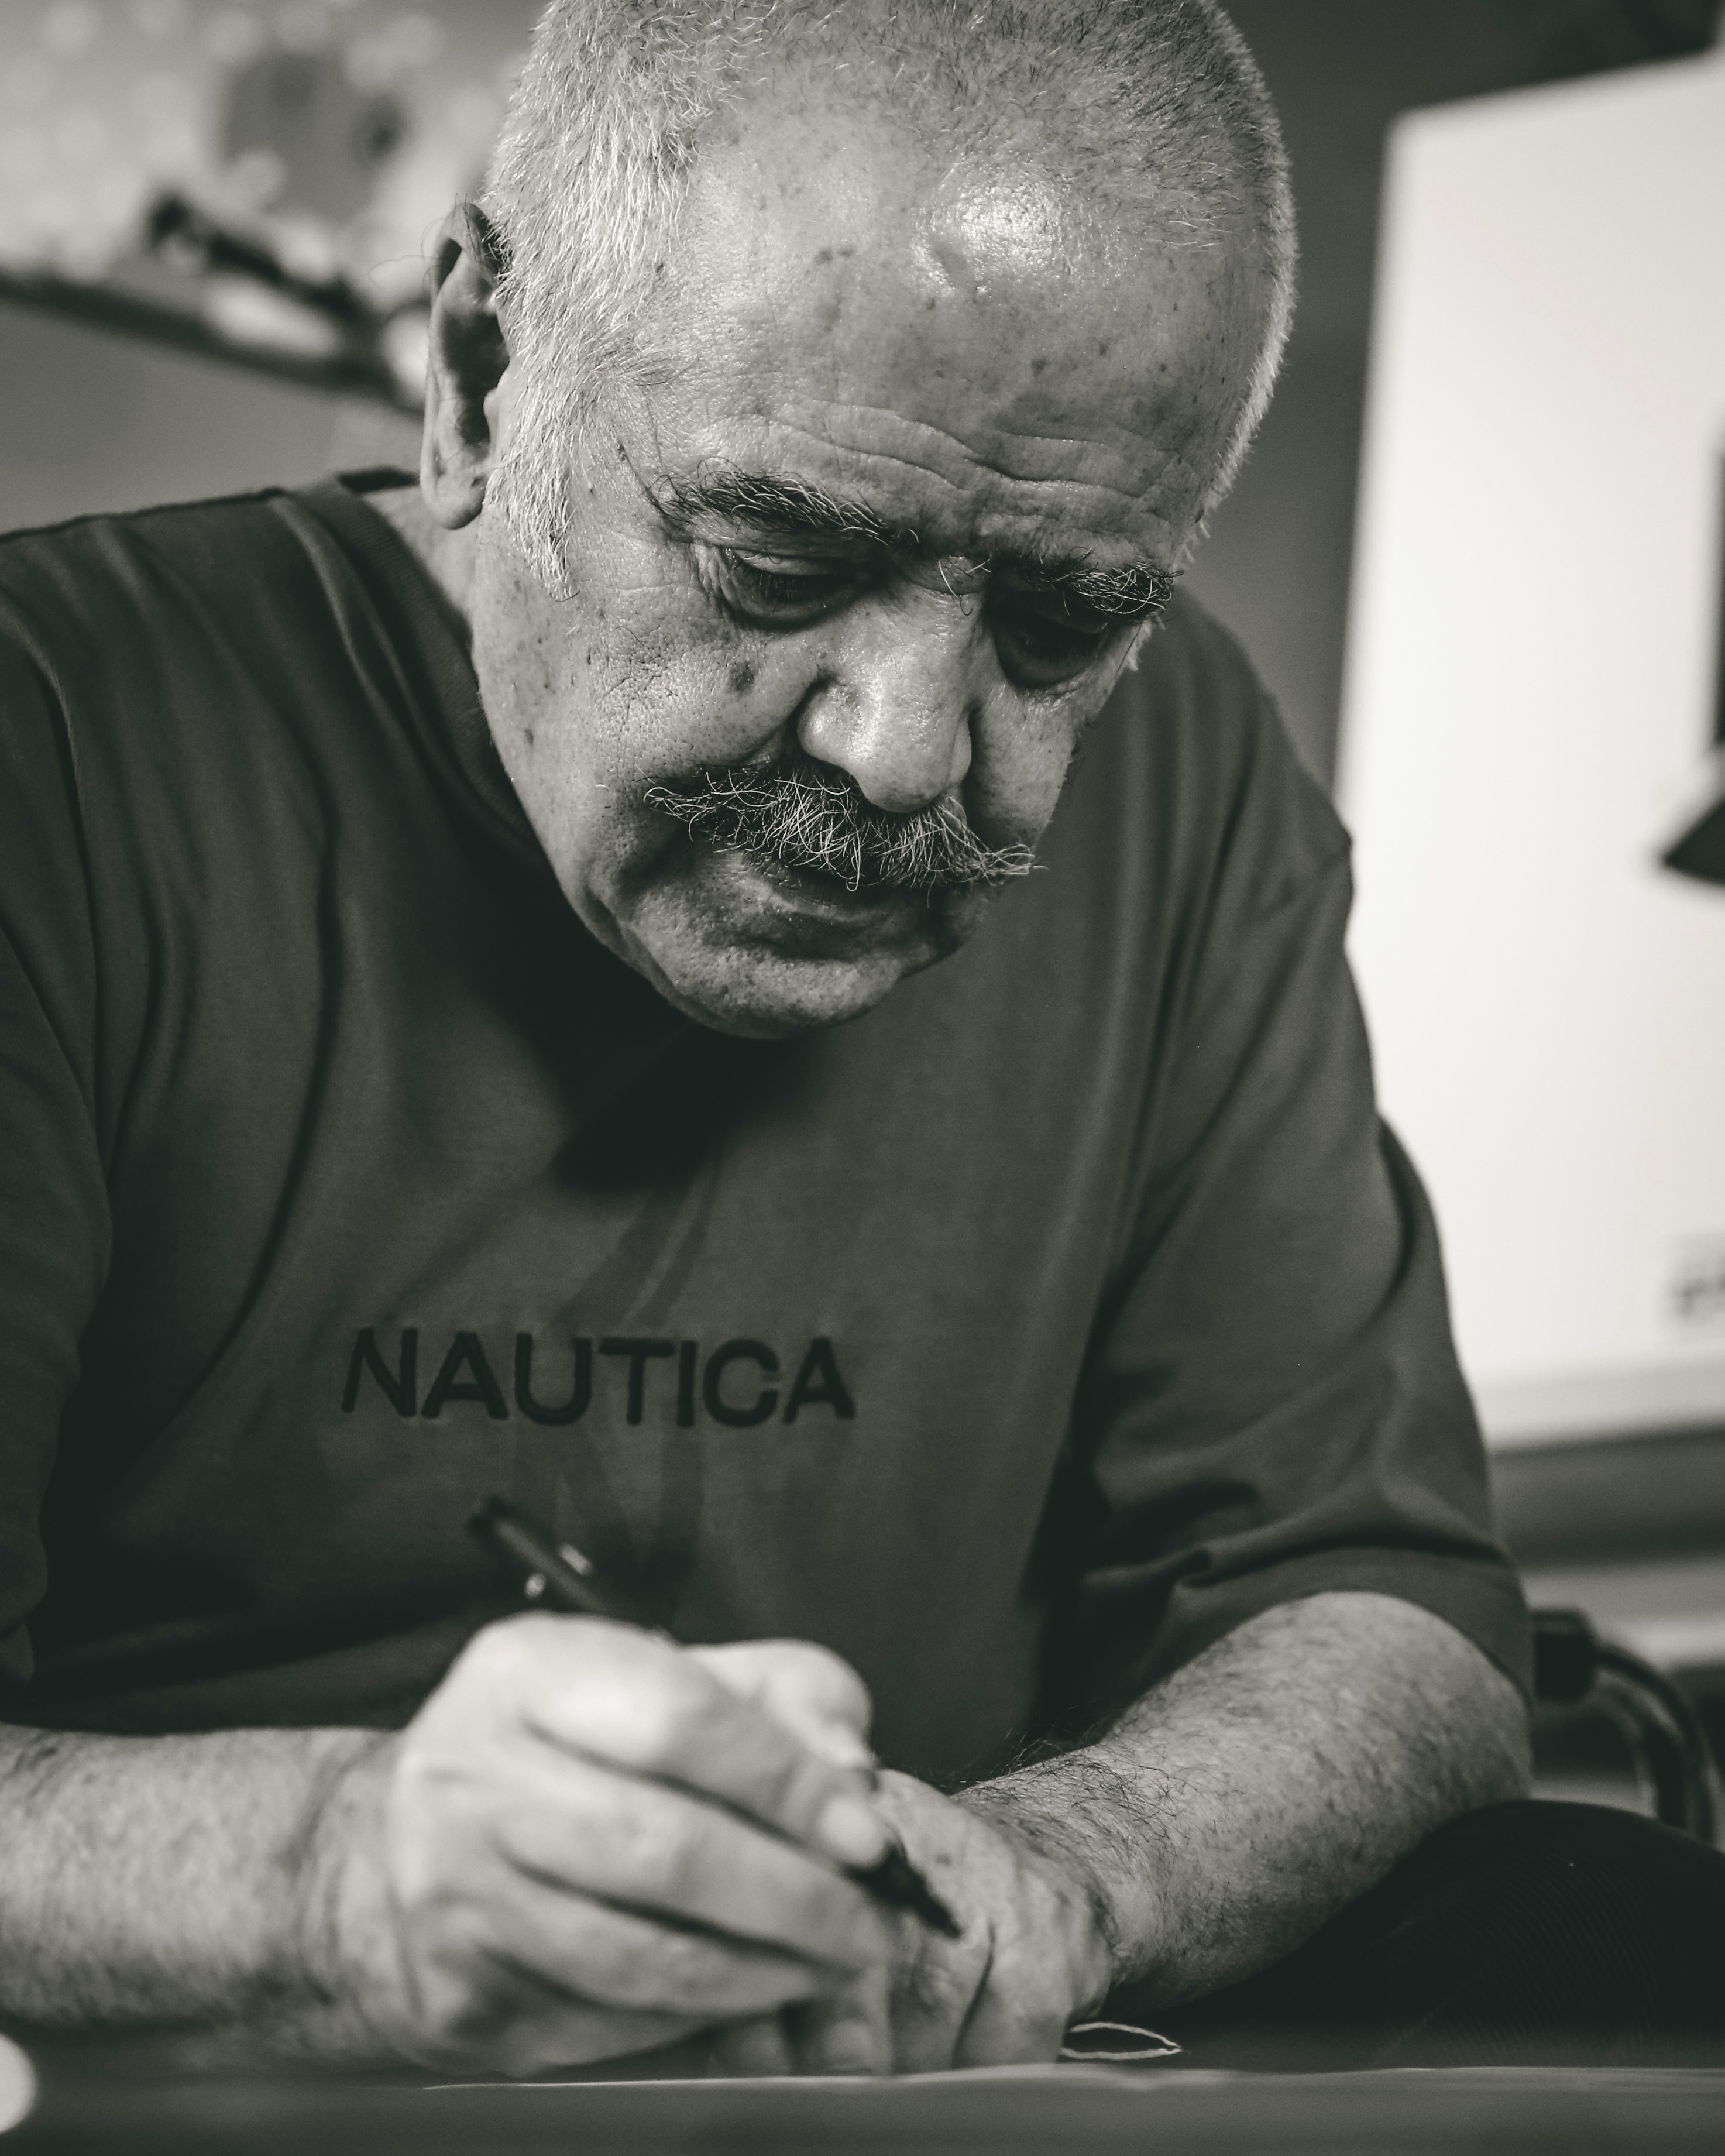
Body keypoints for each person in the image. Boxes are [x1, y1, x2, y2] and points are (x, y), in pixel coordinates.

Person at [0, 0, 1719, 2083]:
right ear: (477, 379)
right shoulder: (58, 743)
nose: (905, 749)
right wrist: (328, 1882)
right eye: (780, 558)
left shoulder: (1194, 787)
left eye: (1062, 623)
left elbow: (1386, 1623)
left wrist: (1060, 1871)